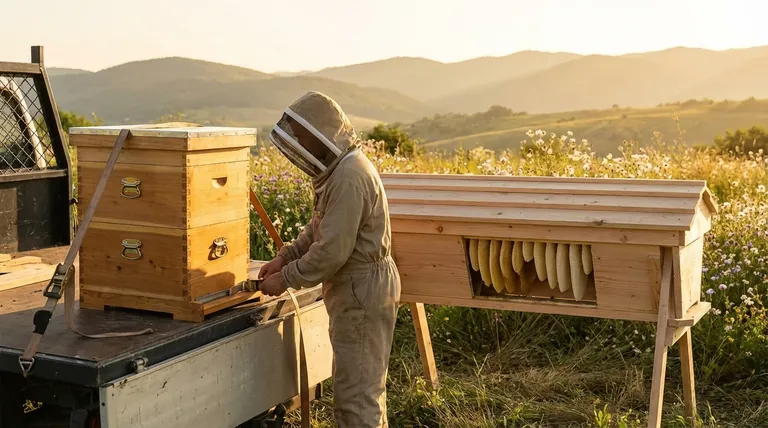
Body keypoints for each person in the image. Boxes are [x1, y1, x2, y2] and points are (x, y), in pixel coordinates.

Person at [257, 91, 401, 428]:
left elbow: (332, 250)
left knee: (357, 398)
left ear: (322, 134)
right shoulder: (340, 171)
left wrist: (286, 278)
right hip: (357, 287)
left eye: (303, 137)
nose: (300, 145)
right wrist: (285, 257)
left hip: (362, 288)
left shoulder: (350, 176)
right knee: (360, 387)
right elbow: (319, 229)